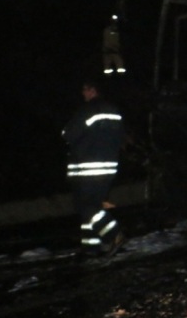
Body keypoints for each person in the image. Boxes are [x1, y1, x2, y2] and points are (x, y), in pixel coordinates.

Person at [62, 78, 125, 256]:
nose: (83, 93)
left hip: (87, 167)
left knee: (86, 206)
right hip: (108, 167)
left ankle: (114, 234)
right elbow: (120, 138)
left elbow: (69, 134)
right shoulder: (114, 112)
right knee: (93, 205)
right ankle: (90, 246)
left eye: (85, 89)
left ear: (93, 90)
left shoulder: (87, 111)